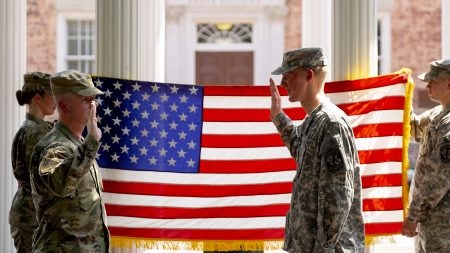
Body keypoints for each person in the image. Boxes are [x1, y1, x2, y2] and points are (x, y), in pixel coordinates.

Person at [269, 47, 365, 252]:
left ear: (309, 75)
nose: (283, 83)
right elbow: (300, 150)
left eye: (289, 75)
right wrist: (279, 116)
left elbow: (338, 197)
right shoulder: (314, 120)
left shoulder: (331, 123)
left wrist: (323, 248)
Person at [30, 70, 110, 252]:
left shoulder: (79, 145)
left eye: (93, 99)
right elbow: (61, 184)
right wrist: (91, 142)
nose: (93, 105)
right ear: (64, 106)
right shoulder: (53, 146)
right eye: (85, 99)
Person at [402, 60, 450, 252]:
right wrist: (402, 94)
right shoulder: (437, 114)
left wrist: (413, 216)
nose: (427, 85)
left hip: (443, 225)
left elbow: (438, 180)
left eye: (433, 81)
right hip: (429, 222)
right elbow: (412, 128)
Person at [9, 72, 56, 253]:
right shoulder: (35, 133)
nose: (55, 101)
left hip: (33, 214)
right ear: (38, 98)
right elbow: (43, 178)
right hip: (30, 216)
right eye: (51, 95)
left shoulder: (38, 129)